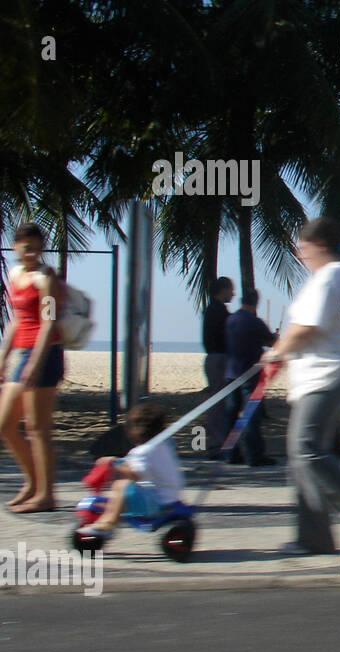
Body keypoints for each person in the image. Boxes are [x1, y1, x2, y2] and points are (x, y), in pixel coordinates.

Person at [262, 218, 340, 555]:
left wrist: (276, 353)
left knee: (306, 450)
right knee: (303, 456)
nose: (301, 256)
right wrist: (283, 355)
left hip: (325, 376)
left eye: (303, 249)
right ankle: (314, 539)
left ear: (318, 246)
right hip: (324, 374)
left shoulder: (332, 275)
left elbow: (306, 328)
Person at [0, 223, 65, 512]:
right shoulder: (14, 275)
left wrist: (36, 362)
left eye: (37, 246)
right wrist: (4, 356)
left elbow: (48, 321)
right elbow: (17, 319)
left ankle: (46, 494)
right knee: (5, 425)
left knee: (38, 429)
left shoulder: (45, 277)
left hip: (46, 354)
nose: (32, 252)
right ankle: (31, 482)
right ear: (16, 246)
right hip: (23, 353)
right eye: (26, 246)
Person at [77, 403, 184, 538]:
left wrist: (113, 465)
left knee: (121, 485)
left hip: (156, 502)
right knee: (124, 488)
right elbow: (145, 468)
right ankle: (109, 516)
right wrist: (119, 461)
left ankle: (109, 522)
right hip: (170, 497)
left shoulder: (142, 452)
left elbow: (135, 474)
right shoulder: (165, 446)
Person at [224, 288, 277, 465]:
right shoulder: (254, 322)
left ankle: (231, 453)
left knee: (231, 414)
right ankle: (254, 455)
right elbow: (271, 341)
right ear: (256, 303)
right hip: (250, 373)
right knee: (250, 415)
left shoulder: (231, 319)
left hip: (231, 372)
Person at [202, 276, 235, 459]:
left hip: (216, 358)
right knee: (218, 403)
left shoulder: (214, 310)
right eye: (231, 289)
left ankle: (220, 442)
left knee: (219, 402)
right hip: (219, 358)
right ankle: (217, 445)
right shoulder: (218, 311)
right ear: (223, 290)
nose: (233, 293)